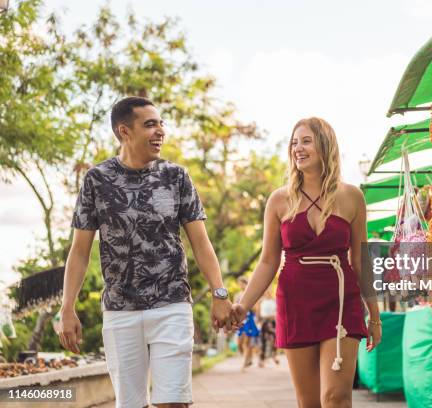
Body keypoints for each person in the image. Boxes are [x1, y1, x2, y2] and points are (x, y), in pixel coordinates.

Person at [57, 96, 232, 408]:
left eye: (161, 123)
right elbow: (80, 250)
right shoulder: (97, 180)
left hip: (171, 304)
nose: (160, 131)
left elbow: (201, 243)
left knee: (174, 402)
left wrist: (220, 294)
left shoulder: (176, 177)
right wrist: (67, 307)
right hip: (120, 311)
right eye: (150, 124)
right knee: (130, 404)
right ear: (125, 131)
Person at [232, 117, 382, 407]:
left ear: (325, 145)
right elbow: (267, 262)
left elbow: (361, 261)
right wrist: (242, 305)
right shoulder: (279, 200)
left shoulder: (352, 197)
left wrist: (374, 315)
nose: (297, 148)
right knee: (309, 401)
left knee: (336, 396)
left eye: (306, 141)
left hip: (340, 302)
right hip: (296, 301)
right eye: (294, 143)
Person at [234, 276, 260, 371]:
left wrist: (247, 306)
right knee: (240, 343)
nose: (241, 285)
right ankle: (249, 358)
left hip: (249, 319)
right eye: (239, 283)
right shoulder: (237, 295)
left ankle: (245, 363)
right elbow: (233, 307)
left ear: (246, 284)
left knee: (247, 342)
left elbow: (256, 308)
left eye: (242, 283)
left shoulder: (252, 294)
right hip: (241, 320)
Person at [258, 287, 279, 367]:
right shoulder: (261, 301)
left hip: (273, 322)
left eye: (269, 291)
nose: (268, 292)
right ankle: (262, 359)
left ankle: (274, 355)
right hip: (264, 322)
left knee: (274, 339)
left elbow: (278, 311)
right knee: (263, 340)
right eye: (266, 291)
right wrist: (258, 321)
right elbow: (258, 312)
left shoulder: (274, 300)